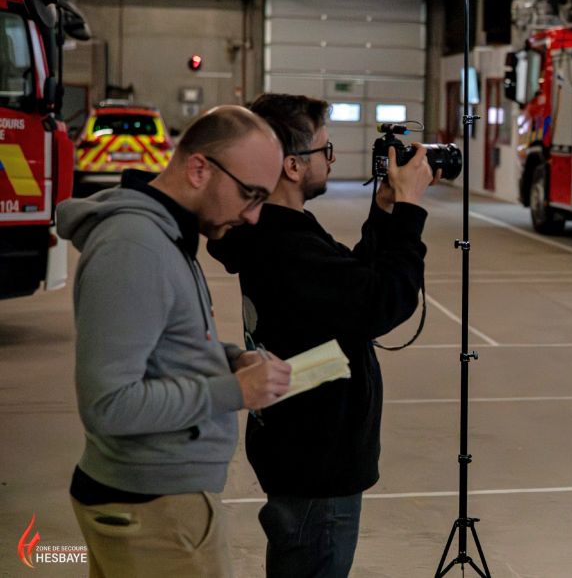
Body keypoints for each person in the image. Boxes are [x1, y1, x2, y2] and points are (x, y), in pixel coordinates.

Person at [207, 93, 439, 577]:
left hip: (298, 444)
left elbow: (350, 286)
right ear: (292, 165)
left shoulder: (276, 231)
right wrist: (410, 210)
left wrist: (384, 211)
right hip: (317, 461)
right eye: (324, 150)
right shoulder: (285, 244)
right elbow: (382, 303)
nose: (331, 160)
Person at [57, 105, 293, 578]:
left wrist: (229, 359)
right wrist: (233, 391)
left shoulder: (166, 237)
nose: (254, 216)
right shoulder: (134, 246)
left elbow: (161, 343)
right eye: (250, 195)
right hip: (154, 509)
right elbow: (109, 405)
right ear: (199, 168)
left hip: (158, 499)